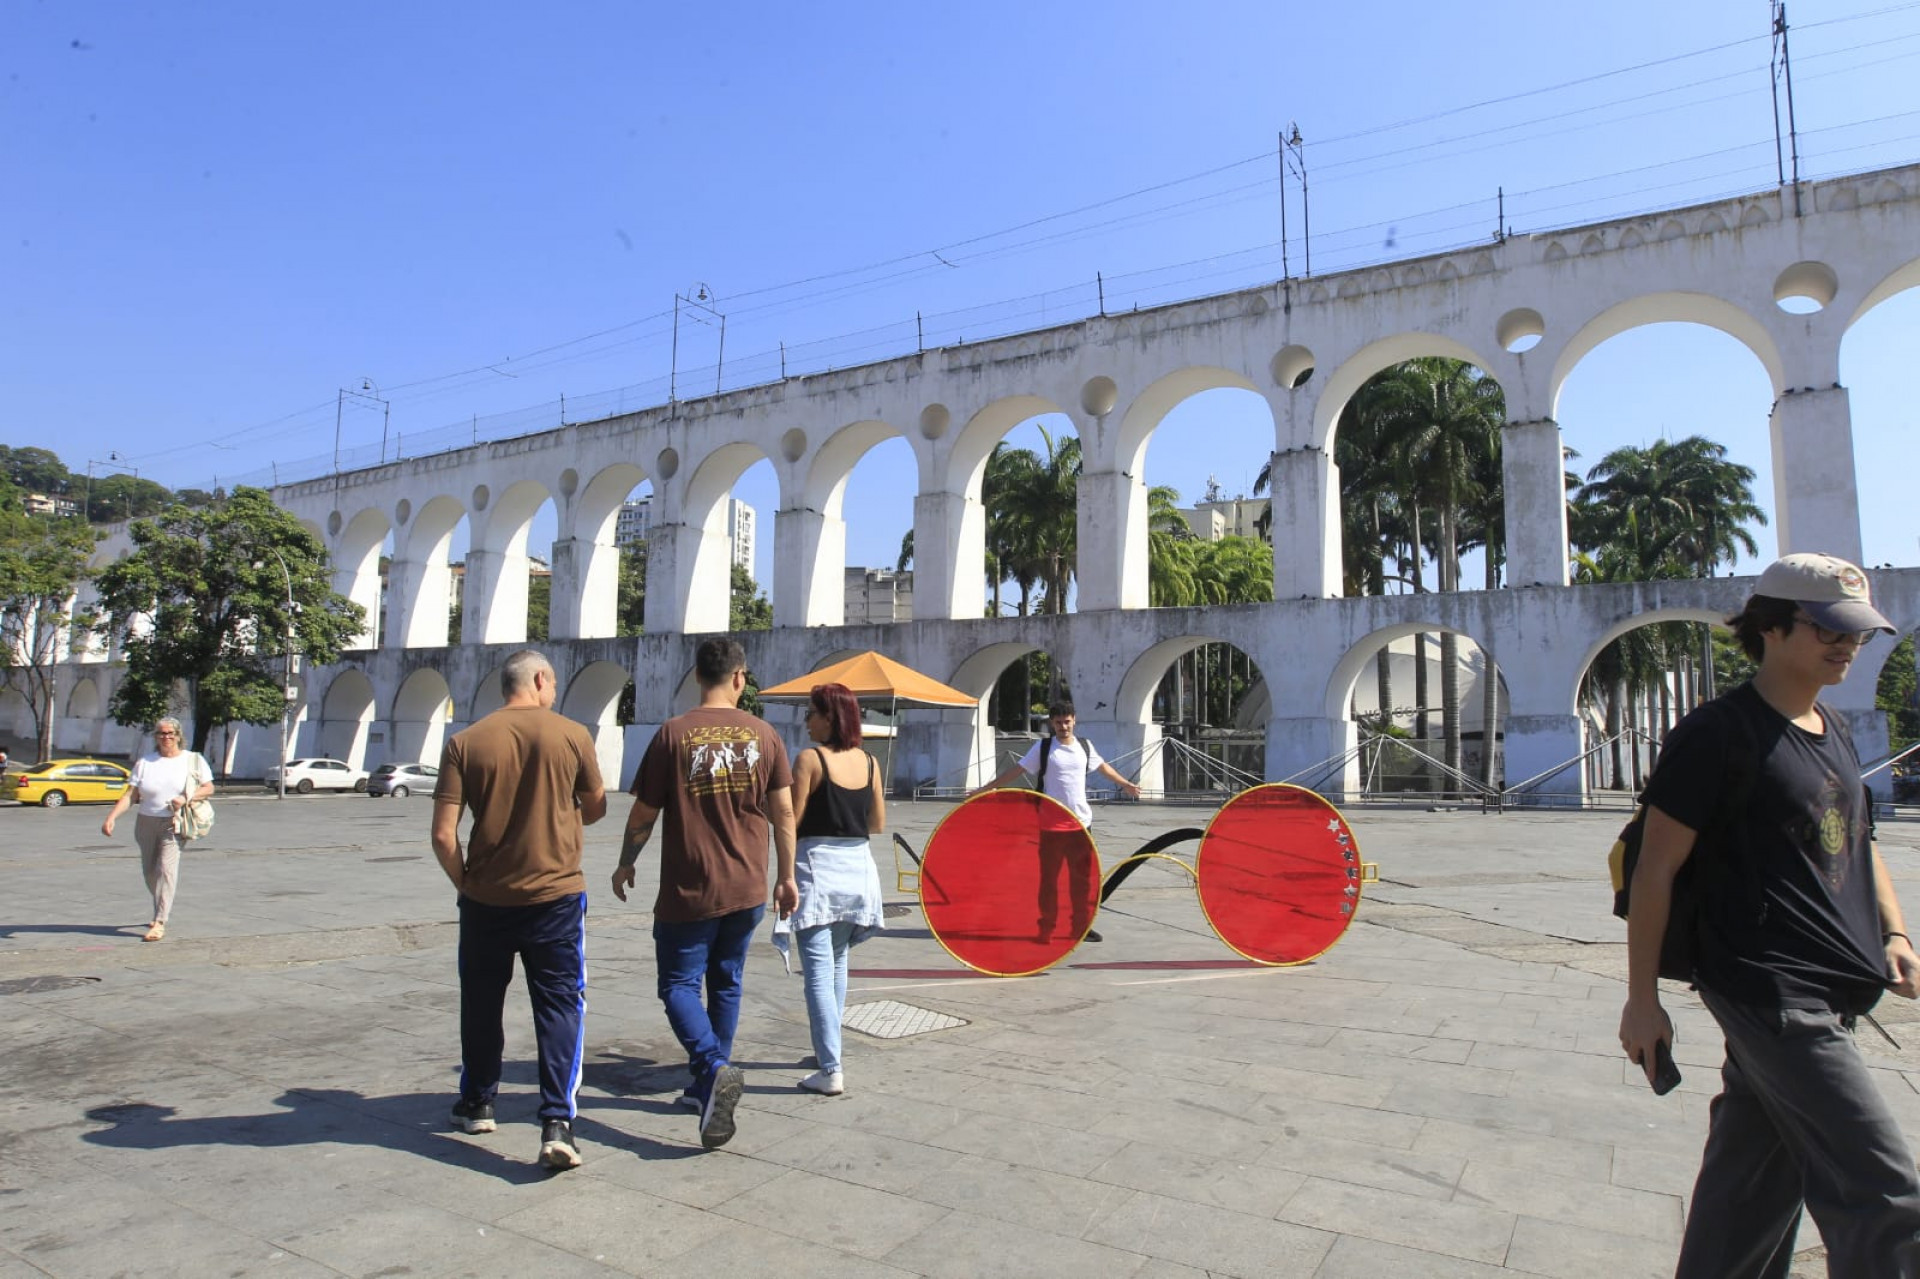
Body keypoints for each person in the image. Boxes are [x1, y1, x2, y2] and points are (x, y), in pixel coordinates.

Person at [1617, 552, 1920, 1276]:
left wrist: (1896, 930)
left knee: (1750, 1186)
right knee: (1885, 1195)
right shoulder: (1718, 732)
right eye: (1831, 630)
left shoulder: (1834, 731)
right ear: (1774, 628)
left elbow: (1858, 841)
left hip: (1832, 986)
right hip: (1770, 991)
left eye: (1858, 633)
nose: (1847, 645)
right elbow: (1654, 869)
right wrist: (1642, 1000)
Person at [611, 638, 796, 1150]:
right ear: (740, 678)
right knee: (727, 981)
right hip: (748, 884)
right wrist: (786, 876)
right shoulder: (764, 734)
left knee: (677, 984)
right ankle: (704, 1085)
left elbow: (644, 813)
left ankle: (712, 1067)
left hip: (690, 888)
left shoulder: (673, 734)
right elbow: (783, 812)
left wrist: (626, 862)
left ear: (697, 676)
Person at [431, 650, 607, 1171]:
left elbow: (443, 835)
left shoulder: (465, 742)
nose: (554, 690)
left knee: (481, 1002)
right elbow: (595, 806)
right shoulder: (572, 735)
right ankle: (557, 1120)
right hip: (555, 895)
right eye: (551, 682)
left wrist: (466, 883)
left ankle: (478, 1100)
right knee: (559, 1005)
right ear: (537, 680)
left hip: (486, 897)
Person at [787, 682, 887, 1096]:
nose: (807, 719)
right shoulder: (869, 761)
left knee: (816, 971)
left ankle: (830, 1067)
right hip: (858, 869)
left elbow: (789, 821)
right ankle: (829, 1049)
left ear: (831, 717)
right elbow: (877, 823)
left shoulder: (809, 760)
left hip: (818, 868)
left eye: (812, 712)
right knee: (838, 963)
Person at [977, 698, 1142, 943]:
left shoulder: (1084, 747)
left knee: (1082, 882)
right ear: (1052, 724)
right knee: (1049, 882)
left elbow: (1103, 767)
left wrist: (1126, 784)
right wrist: (987, 788)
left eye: (1067, 722)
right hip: (1050, 825)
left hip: (1081, 825)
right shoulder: (1043, 749)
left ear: (1074, 720)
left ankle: (1081, 927)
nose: (1063, 727)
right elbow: (1017, 771)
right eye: (1058, 723)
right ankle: (1046, 928)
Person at [101, 717, 214, 943]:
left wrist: (186, 797)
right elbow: (131, 795)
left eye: (170, 733)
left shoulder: (193, 760)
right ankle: (161, 902)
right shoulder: (146, 762)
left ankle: (159, 921)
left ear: (178, 735)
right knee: (150, 872)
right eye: (161, 733)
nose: (166, 737)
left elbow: (209, 787)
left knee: (166, 870)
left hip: (174, 822)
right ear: (156, 737)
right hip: (146, 822)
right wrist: (111, 818)